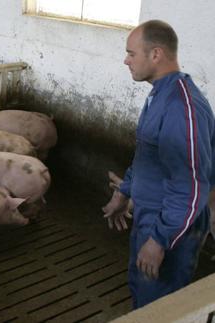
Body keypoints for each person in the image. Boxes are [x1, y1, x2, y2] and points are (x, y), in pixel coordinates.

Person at [102, 20, 215, 309]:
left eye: (131, 53)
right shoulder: (160, 94)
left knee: (160, 305)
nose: (125, 60)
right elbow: (147, 157)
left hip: (170, 226)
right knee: (142, 292)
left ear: (156, 54)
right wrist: (124, 191)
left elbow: (190, 188)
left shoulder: (182, 107)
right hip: (150, 214)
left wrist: (159, 240)